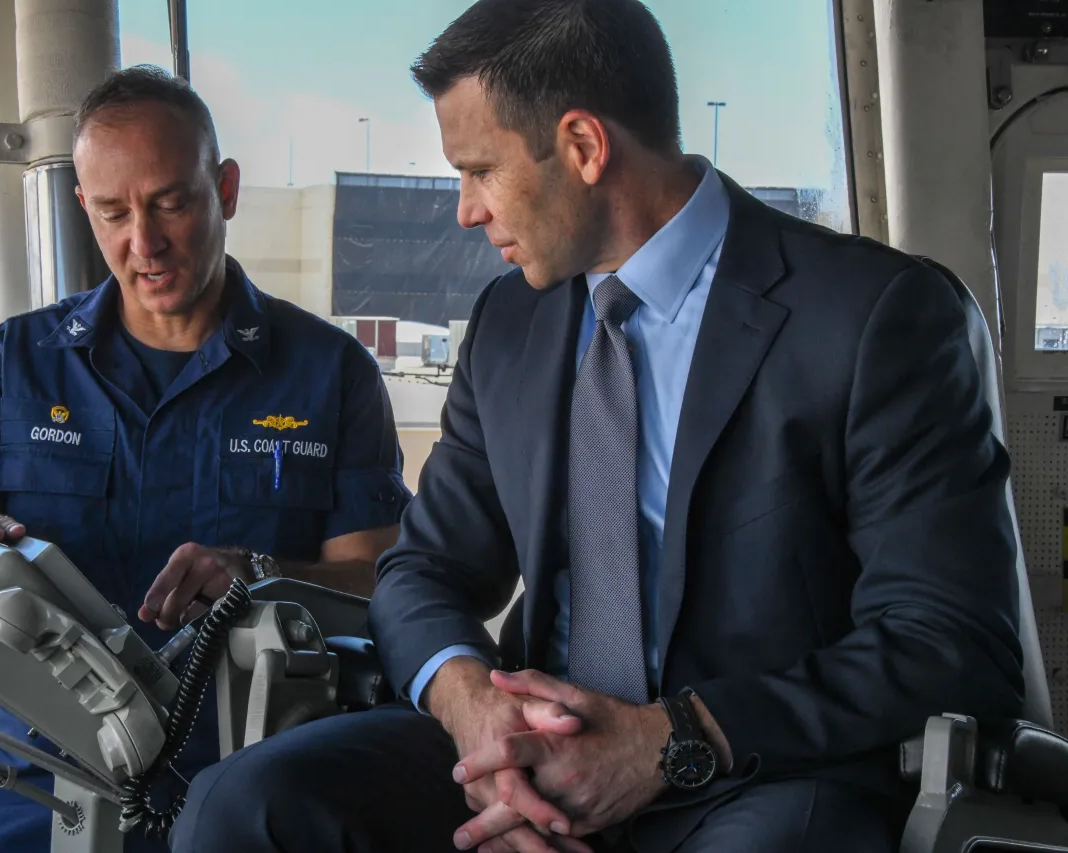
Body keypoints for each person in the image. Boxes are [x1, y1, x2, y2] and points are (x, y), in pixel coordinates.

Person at [167, 2, 1026, 852]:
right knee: (240, 806)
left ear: (583, 146)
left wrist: (669, 738)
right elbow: (424, 569)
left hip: (754, 770)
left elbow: (951, 639)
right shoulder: (510, 323)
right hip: (531, 749)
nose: (464, 210)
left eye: (479, 170)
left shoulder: (873, 316)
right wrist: (476, 713)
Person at [0, 65, 411, 853]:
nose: (144, 241)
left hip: (251, 794)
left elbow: (380, 582)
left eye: (171, 202)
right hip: (38, 792)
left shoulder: (331, 373)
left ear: (224, 189)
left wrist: (256, 573)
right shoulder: (18, 362)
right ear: (82, 208)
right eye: (113, 211)